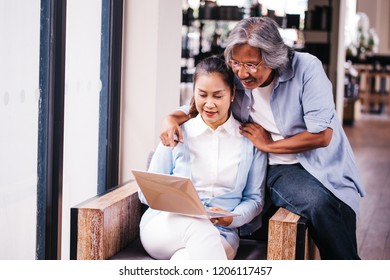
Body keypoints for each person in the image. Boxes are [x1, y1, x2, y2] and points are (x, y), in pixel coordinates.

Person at [159, 17, 366, 260]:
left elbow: (322, 135)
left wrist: (270, 144)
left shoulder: (307, 68)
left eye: (252, 65)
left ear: (273, 58)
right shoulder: (236, 77)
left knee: (339, 202)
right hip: (280, 166)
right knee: (318, 203)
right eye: (235, 62)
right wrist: (171, 119)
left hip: (323, 160)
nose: (242, 72)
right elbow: (201, 104)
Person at [138, 56, 267, 260]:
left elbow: (255, 199)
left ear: (232, 94)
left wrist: (232, 218)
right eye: (202, 95)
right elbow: (146, 193)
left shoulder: (251, 142)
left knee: (185, 260)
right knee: (197, 225)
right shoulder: (177, 133)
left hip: (222, 234)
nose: (209, 104)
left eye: (218, 96)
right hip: (165, 225)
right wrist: (174, 199)